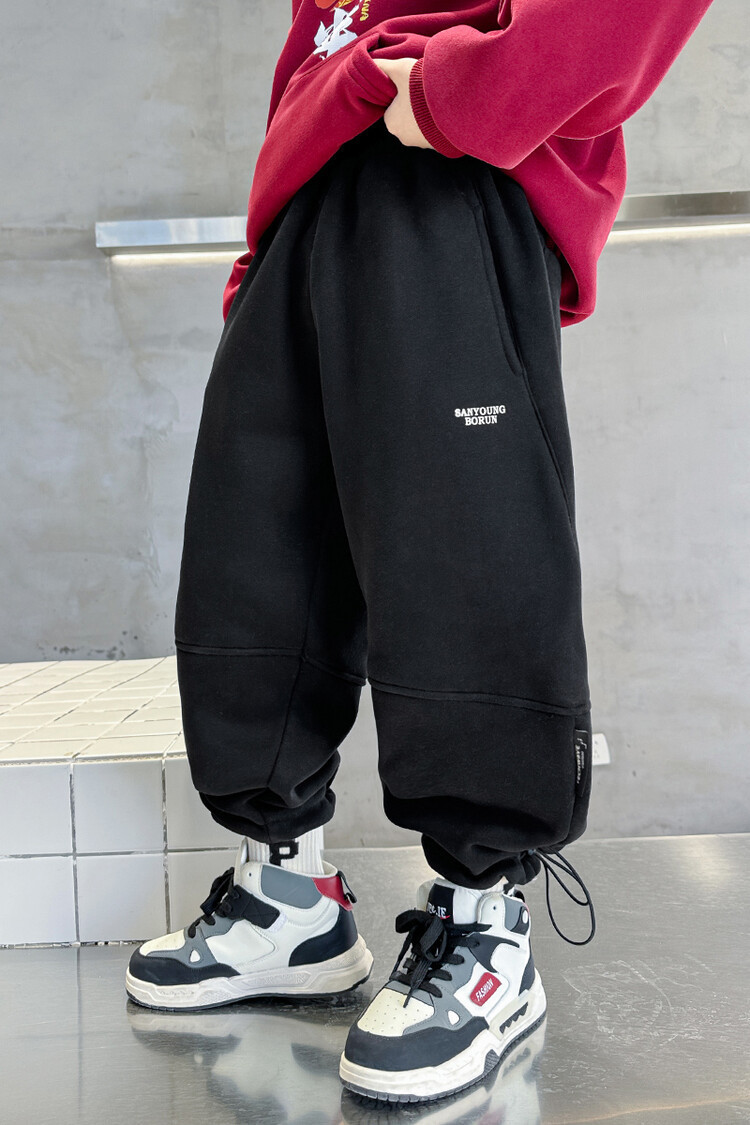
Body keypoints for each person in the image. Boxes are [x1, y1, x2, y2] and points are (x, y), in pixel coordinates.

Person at [125, 0, 714, 1103]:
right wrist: (272, 229)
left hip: (447, 178)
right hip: (314, 190)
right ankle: (287, 901)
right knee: (257, 552)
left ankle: (484, 928)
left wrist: (461, 95)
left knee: (460, 552)